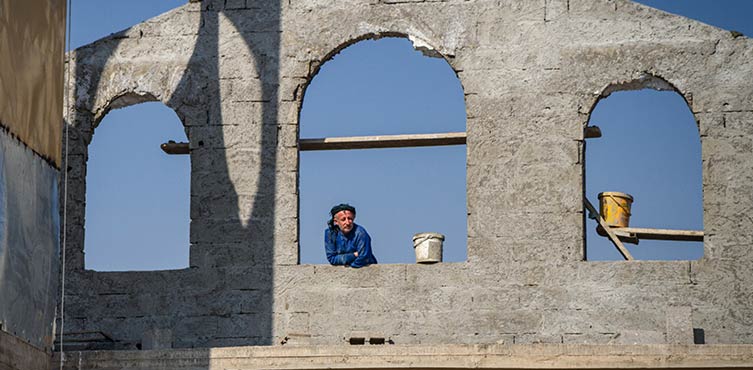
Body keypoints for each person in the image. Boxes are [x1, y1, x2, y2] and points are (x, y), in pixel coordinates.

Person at [324, 203, 377, 268]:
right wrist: (354, 255)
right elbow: (332, 258)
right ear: (336, 221)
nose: (347, 222)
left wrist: (350, 268)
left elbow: (364, 257)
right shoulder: (330, 234)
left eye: (350, 219)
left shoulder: (361, 233)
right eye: (343, 219)